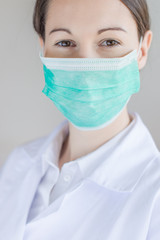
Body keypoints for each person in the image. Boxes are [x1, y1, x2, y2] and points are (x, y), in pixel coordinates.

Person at [0, 0, 160, 239]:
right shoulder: (19, 162)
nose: (85, 65)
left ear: (142, 51)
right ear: (43, 49)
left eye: (109, 42)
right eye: (65, 42)